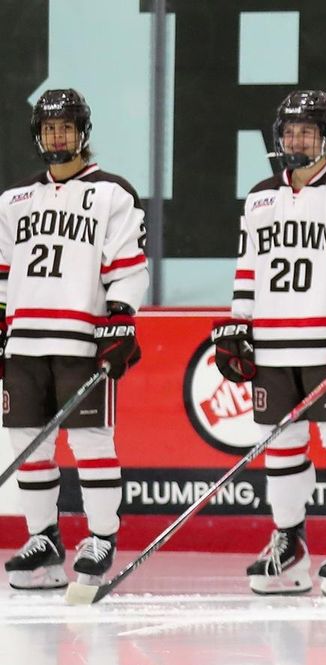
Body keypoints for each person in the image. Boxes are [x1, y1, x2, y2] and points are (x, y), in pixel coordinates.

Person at [212, 90, 326, 596]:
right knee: (281, 446)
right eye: (290, 131)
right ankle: (289, 544)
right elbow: (248, 271)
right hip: (271, 345)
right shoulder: (261, 196)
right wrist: (238, 324)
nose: (297, 140)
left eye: (308, 131)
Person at [1, 89, 147, 589]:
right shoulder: (14, 200)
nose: (57, 136)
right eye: (49, 128)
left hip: (80, 341)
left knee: (90, 442)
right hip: (23, 344)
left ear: (83, 132)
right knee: (27, 444)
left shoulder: (112, 193)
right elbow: (3, 276)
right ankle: (43, 541)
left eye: (65, 127)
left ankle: (101, 536)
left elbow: (129, 269)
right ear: (38, 135)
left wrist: (121, 321)